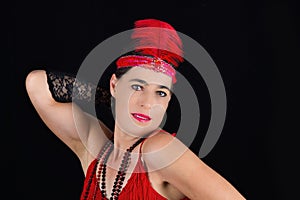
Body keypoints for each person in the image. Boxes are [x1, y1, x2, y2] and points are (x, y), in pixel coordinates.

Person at [25, 18, 245, 200]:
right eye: (137, 86)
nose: (147, 103)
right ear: (114, 84)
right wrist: (113, 97)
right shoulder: (95, 148)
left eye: (161, 93)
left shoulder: (160, 151)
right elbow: (37, 85)